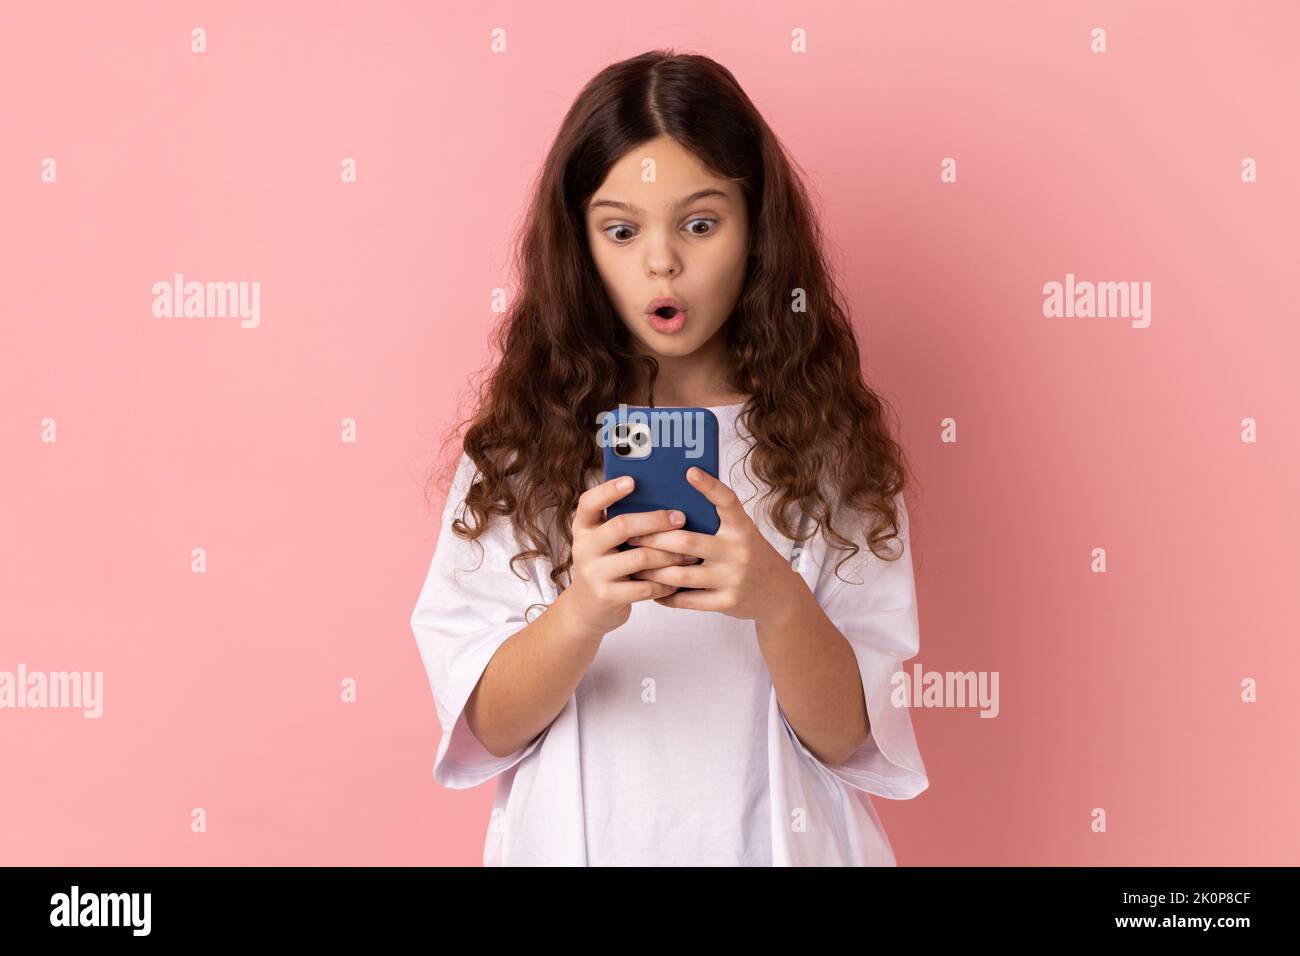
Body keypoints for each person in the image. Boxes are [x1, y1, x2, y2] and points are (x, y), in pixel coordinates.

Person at [410, 49, 929, 866]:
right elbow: (483, 728)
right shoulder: (521, 454)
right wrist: (581, 610)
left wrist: (779, 602)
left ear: (757, 233)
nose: (662, 263)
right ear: (580, 247)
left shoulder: (830, 451)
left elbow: (851, 740)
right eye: (621, 229)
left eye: (699, 223)